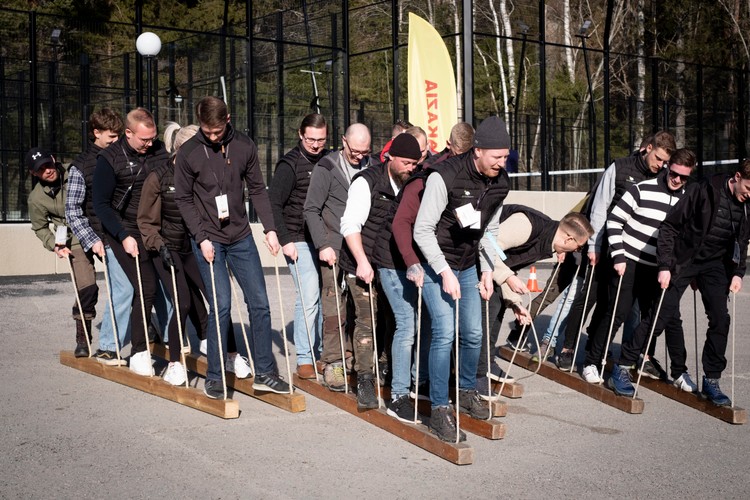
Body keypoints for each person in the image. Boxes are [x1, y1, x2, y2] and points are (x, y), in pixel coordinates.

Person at [609, 158, 750, 406]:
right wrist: (665, 266)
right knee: (660, 316)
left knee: (720, 318)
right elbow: (669, 228)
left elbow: (742, 238)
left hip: (714, 265)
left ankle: (712, 380)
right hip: (684, 259)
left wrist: (738, 272)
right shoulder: (703, 190)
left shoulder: (747, 204)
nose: (749, 194)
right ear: (737, 177)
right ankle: (623, 365)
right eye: (748, 187)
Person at [174, 96, 289, 399]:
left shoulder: (244, 146)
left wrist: (271, 229)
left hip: (240, 236)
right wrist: (200, 237)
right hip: (208, 239)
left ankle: (265, 372)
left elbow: (258, 190)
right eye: (206, 131)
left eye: (216, 131)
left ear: (228, 120)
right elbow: (184, 199)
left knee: (260, 303)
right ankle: (215, 376)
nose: (211, 137)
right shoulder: (188, 153)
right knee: (221, 305)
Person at [413, 116, 511, 442]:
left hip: (469, 264)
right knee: (444, 332)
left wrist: (487, 271)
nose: (502, 162)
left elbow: (490, 230)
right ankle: (440, 409)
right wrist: (442, 271)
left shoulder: (500, 182)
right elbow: (422, 230)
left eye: (505, 156)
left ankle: (467, 390)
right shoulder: (445, 176)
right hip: (435, 262)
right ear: (478, 151)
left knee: (472, 332)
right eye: (496, 156)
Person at [556, 131, 676, 376]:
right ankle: (567, 347)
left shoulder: (662, 176)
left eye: (665, 162)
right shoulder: (620, 168)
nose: (661, 165)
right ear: (648, 148)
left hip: (632, 251)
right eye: (659, 158)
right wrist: (594, 247)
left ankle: (603, 348)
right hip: (605, 245)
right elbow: (600, 208)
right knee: (588, 297)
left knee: (616, 304)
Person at [580, 148, 696, 388]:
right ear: (667, 167)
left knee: (663, 317)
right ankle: (592, 360)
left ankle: (668, 369)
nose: (677, 180)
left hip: (658, 267)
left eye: (684, 177)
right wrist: (619, 255)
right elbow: (614, 220)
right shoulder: (642, 189)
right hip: (629, 260)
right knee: (617, 312)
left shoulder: (687, 199)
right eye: (674, 174)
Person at [390, 122, 477, 404]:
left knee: (435, 326)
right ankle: (407, 388)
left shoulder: (470, 179)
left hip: (452, 261)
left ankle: (426, 379)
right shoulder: (427, 178)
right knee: (420, 326)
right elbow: (403, 224)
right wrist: (413, 262)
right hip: (418, 260)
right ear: (450, 148)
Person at [477, 208, 594, 396]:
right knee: (485, 316)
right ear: (569, 240)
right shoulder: (528, 225)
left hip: (491, 268)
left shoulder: (547, 242)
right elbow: (487, 245)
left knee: (498, 307)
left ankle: (485, 362)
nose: (577, 251)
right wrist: (507, 277)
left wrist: (515, 303)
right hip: (472, 261)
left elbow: (506, 262)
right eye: (579, 247)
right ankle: (476, 373)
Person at [343, 133, 421, 415]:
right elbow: (351, 226)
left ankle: (386, 367)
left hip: (391, 264)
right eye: (405, 163)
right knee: (367, 319)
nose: (410, 168)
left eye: (415, 163)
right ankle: (364, 377)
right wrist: (362, 262)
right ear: (390, 158)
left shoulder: (412, 181)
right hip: (360, 262)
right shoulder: (367, 182)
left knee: (394, 319)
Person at [93, 107, 169, 376]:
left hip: (153, 228)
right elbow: (101, 205)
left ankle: (171, 342)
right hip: (121, 230)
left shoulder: (159, 151)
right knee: (133, 288)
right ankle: (118, 347)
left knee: (166, 286)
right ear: (128, 133)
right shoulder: (109, 159)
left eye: (152, 139)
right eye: (144, 140)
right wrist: (123, 236)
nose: (149, 145)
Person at [303, 123, 374, 393]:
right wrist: (322, 244)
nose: (359, 156)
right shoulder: (327, 168)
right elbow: (311, 210)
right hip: (332, 247)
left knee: (364, 310)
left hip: (361, 251)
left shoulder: (373, 166)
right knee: (334, 311)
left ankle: (361, 360)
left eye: (364, 151)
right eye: (354, 150)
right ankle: (333, 361)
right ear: (343, 141)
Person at [66, 108, 132, 365]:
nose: (116, 142)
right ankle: (83, 337)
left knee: (129, 284)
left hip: (111, 233)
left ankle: (144, 330)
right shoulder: (81, 166)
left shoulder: (120, 157)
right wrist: (91, 240)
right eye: (112, 137)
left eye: (119, 137)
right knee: (87, 286)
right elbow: (72, 210)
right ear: (96, 133)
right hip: (85, 234)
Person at [269, 114, 328, 380]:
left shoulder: (329, 161)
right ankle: (305, 357)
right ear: (301, 135)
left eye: (321, 140)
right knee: (309, 294)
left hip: (324, 239)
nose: (316, 145)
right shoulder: (289, 165)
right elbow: (274, 205)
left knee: (323, 297)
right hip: (297, 238)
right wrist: (285, 240)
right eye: (311, 139)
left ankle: (321, 353)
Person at [27, 147, 98, 357]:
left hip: (98, 229)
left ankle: (148, 323)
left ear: (54, 159)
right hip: (73, 240)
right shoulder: (36, 199)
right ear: (34, 173)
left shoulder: (76, 171)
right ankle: (83, 337)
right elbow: (40, 228)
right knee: (87, 288)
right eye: (41, 169)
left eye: (48, 164)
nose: (47, 170)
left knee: (126, 279)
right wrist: (54, 244)